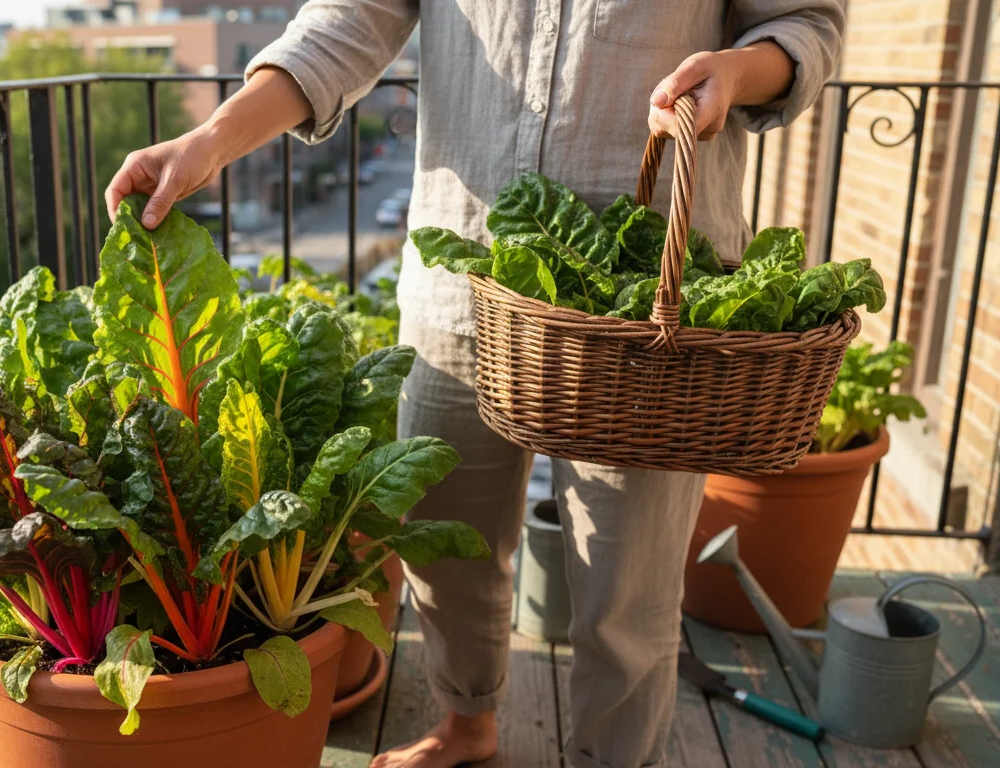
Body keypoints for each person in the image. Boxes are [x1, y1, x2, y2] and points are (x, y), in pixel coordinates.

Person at [105, 3, 843, 766]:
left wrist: (735, 72)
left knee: (629, 593)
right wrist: (209, 142)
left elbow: (804, 27)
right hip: (463, 282)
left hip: (643, 310)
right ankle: (466, 723)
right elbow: (345, 23)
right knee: (445, 545)